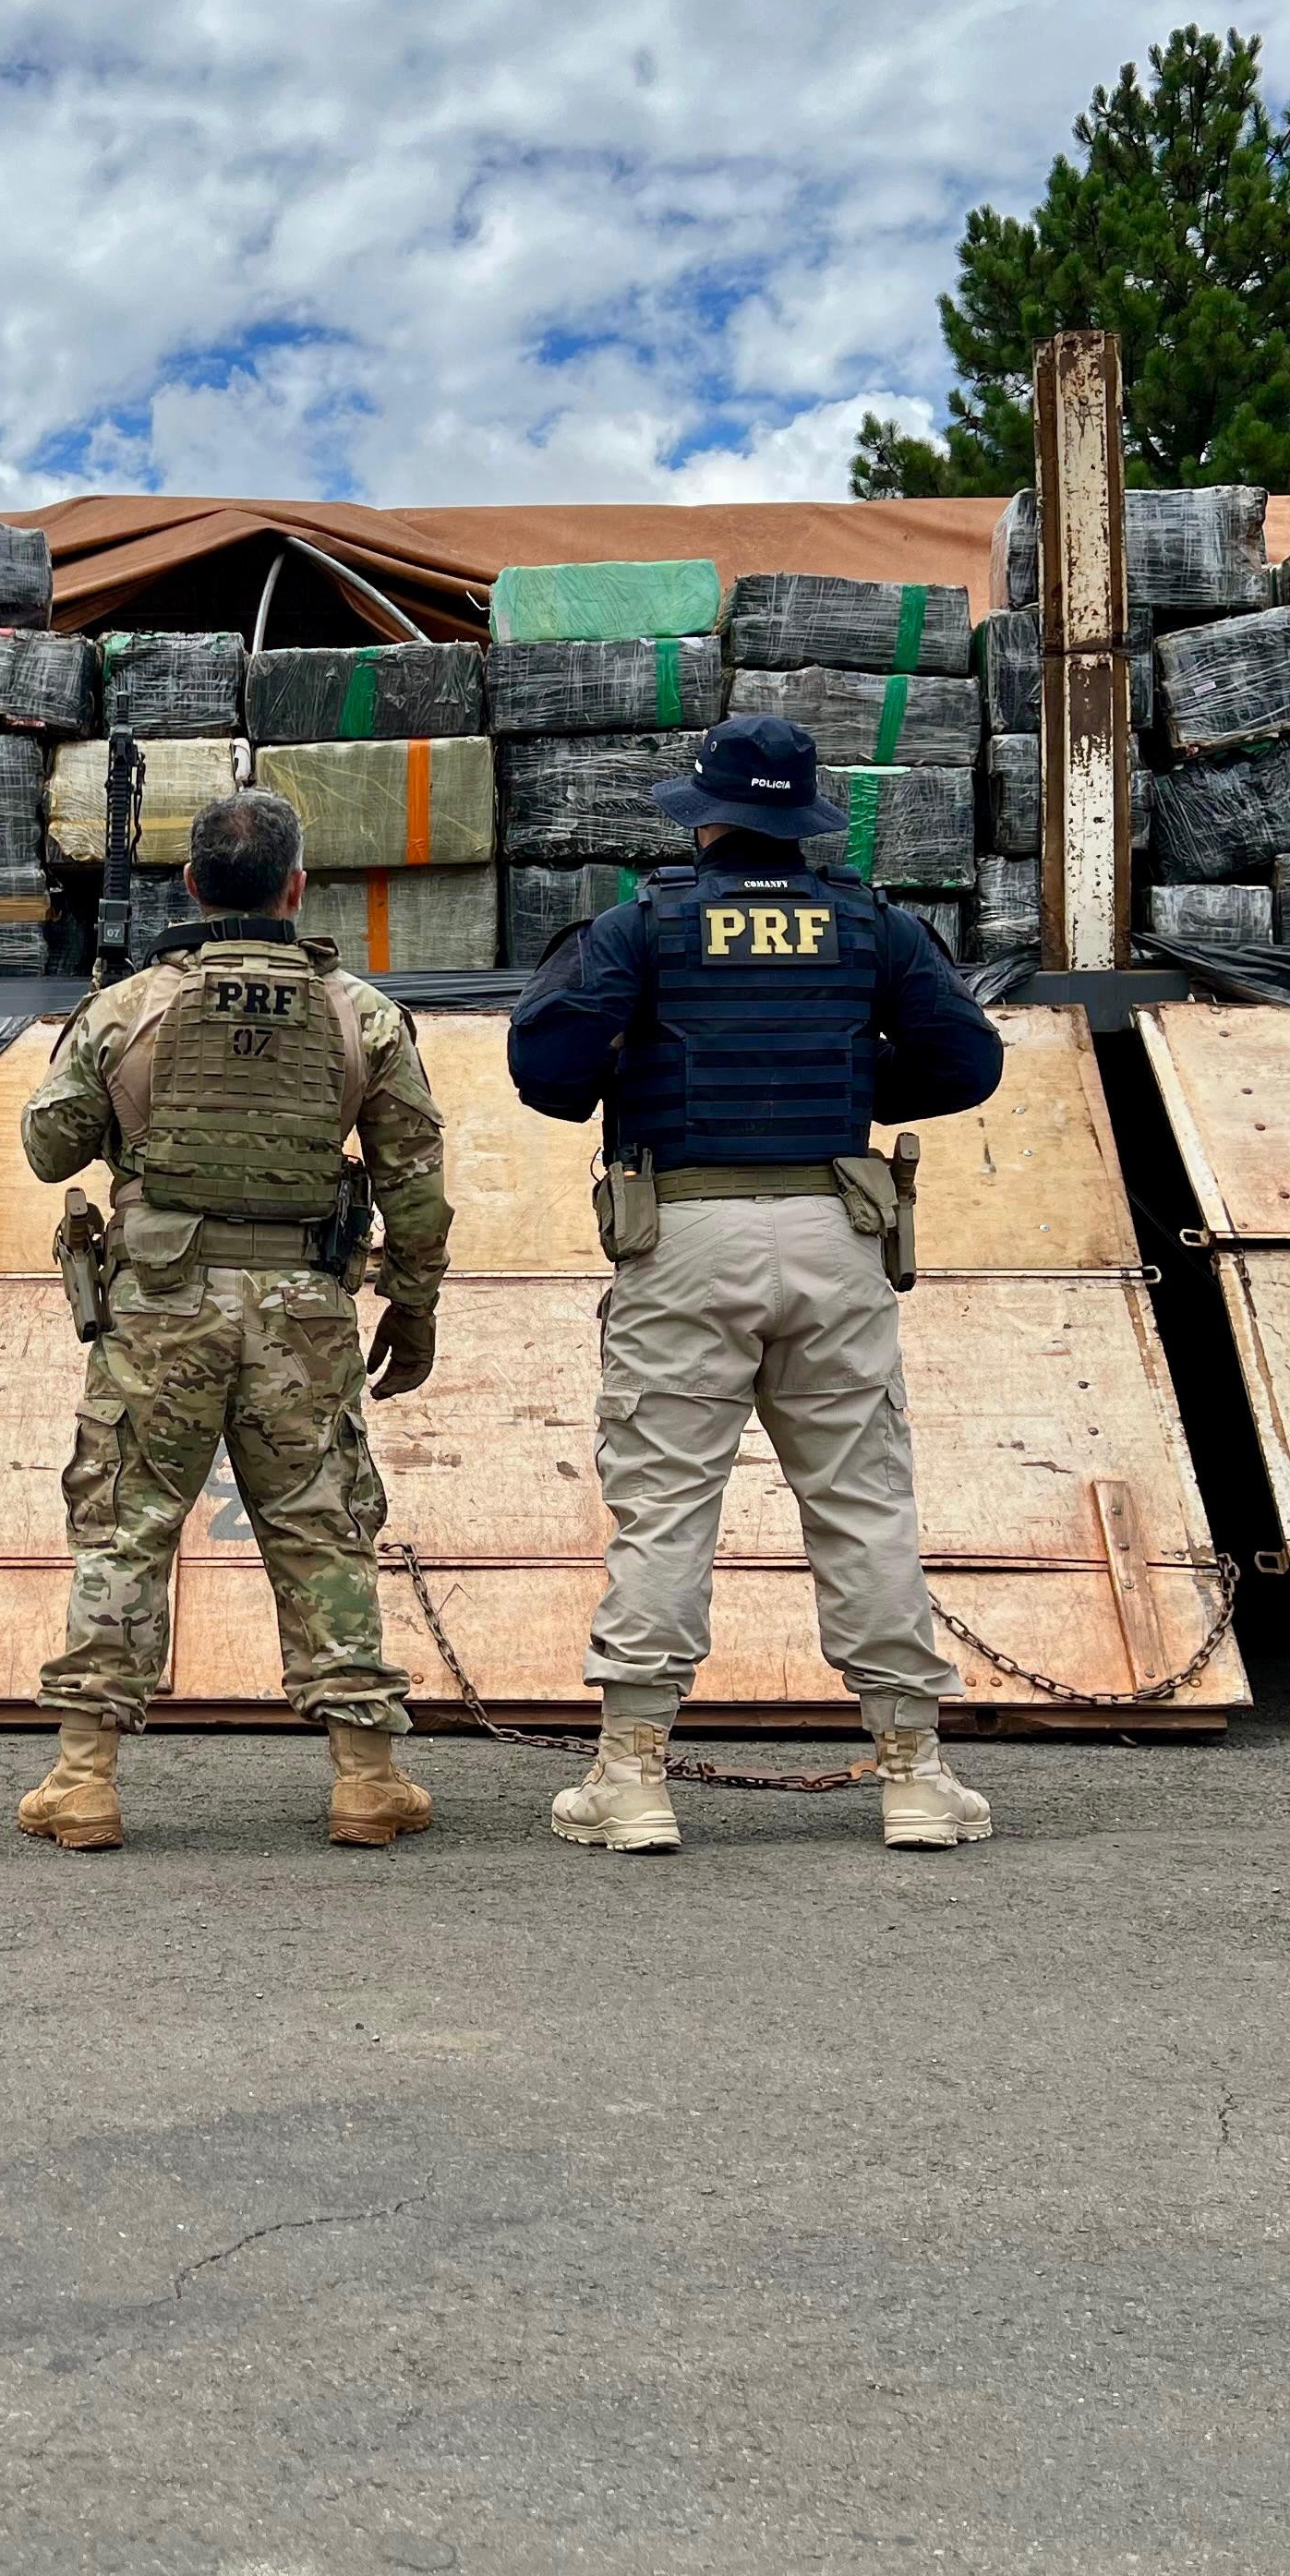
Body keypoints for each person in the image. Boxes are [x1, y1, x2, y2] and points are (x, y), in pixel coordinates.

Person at [507, 709, 1008, 1854]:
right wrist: (849, 1073)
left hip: (682, 1236)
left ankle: (631, 1779)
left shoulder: (636, 929)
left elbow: (545, 1071)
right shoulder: (874, 929)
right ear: (804, 821)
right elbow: (967, 1061)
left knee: (667, 1506)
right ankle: (915, 1774)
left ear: (705, 816)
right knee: (864, 1502)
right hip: (838, 1232)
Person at [14, 788, 453, 1852]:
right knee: (323, 1528)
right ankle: (366, 1779)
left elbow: (48, 1150)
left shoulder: (130, 1007)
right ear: (298, 889)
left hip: (161, 1305)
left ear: (190, 886)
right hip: (304, 1307)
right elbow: (416, 1179)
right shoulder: (363, 1014)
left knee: (124, 1527)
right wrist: (414, 1299)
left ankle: (83, 1782)